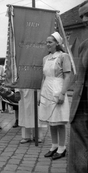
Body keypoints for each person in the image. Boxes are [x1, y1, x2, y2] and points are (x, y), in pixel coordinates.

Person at [39, 32, 71, 160]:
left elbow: (68, 76)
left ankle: (62, 148)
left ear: (57, 43)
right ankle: (54, 146)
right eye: (46, 42)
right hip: (47, 89)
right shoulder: (45, 58)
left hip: (58, 87)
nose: (47, 44)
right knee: (51, 121)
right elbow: (44, 77)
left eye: (50, 42)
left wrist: (63, 93)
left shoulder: (64, 56)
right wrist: (41, 93)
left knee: (59, 121)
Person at [68, 1, 88, 172]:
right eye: (82, 15)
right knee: (79, 149)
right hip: (82, 102)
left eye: (87, 14)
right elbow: (77, 75)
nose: (84, 19)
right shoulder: (84, 45)